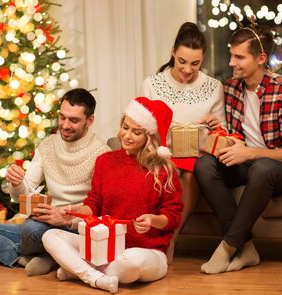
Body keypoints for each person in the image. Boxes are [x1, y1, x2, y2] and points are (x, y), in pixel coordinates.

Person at [194, 24, 282, 274]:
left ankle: (227, 247)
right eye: (231, 55)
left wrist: (249, 152)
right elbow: (234, 135)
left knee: (261, 168)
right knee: (204, 165)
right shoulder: (230, 88)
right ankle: (247, 247)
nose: (231, 62)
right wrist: (219, 127)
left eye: (239, 57)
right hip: (247, 162)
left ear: (261, 59)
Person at [42, 97, 183, 293]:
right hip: (104, 248)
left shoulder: (163, 170)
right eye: (125, 127)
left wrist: (152, 220)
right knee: (51, 235)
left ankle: (76, 270)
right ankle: (95, 278)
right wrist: (75, 211)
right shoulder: (105, 161)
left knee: (130, 265)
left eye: (136, 132)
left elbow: (173, 218)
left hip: (147, 251)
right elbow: (93, 205)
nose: (127, 136)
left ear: (150, 136)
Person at [0, 88, 110, 275]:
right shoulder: (48, 145)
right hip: (46, 224)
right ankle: (40, 257)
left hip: (77, 228)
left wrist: (66, 218)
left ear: (90, 120)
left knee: (31, 228)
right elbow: (23, 196)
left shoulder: (102, 153)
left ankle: (51, 253)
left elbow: (102, 209)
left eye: (73, 120)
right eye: (62, 117)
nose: (64, 125)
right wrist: (16, 183)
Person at [141, 22, 226, 263]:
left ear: (203, 60)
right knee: (171, 168)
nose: (188, 69)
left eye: (195, 63)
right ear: (173, 53)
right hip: (162, 149)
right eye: (182, 61)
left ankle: (171, 239)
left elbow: (223, 131)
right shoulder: (152, 84)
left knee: (188, 173)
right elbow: (142, 124)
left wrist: (214, 124)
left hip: (196, 152)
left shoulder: (213, 87)